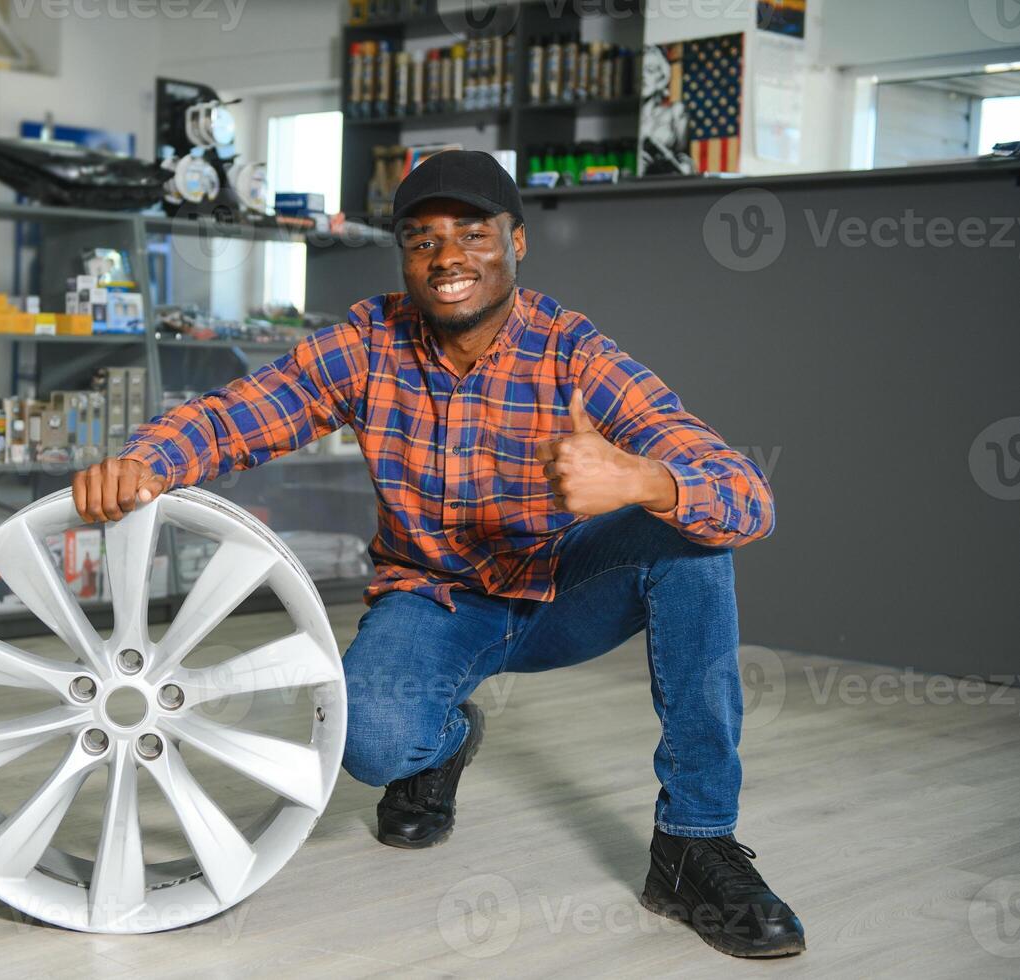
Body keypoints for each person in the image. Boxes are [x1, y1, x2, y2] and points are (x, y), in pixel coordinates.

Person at [72, 150, 804, 958]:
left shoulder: (574, 354)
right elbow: (238, 414)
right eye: (420, 239)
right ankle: (444, 746)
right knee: (369, 745)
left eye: (471, 233)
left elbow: (745, 496)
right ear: (403, 257)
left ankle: (693, 844)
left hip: (566, 590)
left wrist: (646, 480)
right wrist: (146, 461)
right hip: (436, 602)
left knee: (696, 543)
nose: (446, 256)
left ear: (516, 241)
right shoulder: (368, 341)